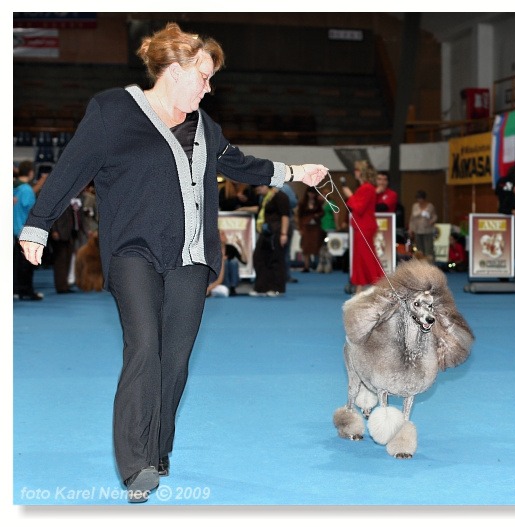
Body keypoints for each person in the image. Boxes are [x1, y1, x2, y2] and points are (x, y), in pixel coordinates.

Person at [16, 22, 329, 503]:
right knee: (144, 347)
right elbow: (73, 166)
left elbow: (240, 164)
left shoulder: (205, 126)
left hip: (190, 256)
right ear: (176, 70)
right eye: (204, 76)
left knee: (175, 360)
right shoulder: (113, 111)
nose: (210, 87)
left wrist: (295, 171)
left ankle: (158, 446)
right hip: (132, 252)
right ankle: (136, 463)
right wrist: (39, 222)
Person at [341, 160, 384, 293]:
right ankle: (361, 288)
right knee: (361, 258)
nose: (355, 172)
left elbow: (359, 207)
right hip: (362, 226)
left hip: (364, 227)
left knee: (366, 258)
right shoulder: (367, 187)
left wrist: (349, 195)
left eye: (357, 170)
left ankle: (380, 285)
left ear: (362, 173)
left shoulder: (366, 188)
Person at [250, 184, 291, 297]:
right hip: (266, 232)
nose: (258, 191)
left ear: (266, 186)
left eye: (259, 188)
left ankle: (277, 288)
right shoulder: (265, 198)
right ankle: (262, 288)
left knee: (276, 260)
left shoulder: (280, 196)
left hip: (277, 232)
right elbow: (259, 210)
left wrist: (284, 233)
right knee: (259, 258)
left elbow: (285, 215)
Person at [13, 160, 43, 300]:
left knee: (15, 264)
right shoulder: (26, 190)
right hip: (24, 230)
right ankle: (27, 291)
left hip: (13, 229)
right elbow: (33, 212)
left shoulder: (13, 187)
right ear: (31, 172)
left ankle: (16, 290)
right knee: (27, 264)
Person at [297, 189, 325, 272]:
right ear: (307, 193)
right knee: (305, 247)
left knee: (316, 246)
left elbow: (322, 213)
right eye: (310, 193)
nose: (311, 195)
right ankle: (306, 266)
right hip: (306, 227)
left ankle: (317, 265)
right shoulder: (302, 203)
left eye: (313, 193)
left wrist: (317, 215)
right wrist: (300, 228)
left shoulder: (318, 202)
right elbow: (299, 216)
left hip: (316, 227)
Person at [408, 189, 438, 261]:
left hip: (427, 230)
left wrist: (432, 221)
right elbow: (412, 218)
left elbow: (435, 216)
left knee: (429, 249)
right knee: (419, 250)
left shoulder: (430, 206)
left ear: (424, 198)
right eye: (418, 198)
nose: (419, 200)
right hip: (417, 230)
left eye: (421, 198)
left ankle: (430, 265)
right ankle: (421, 265)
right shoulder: (415, 206)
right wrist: (410, 228)